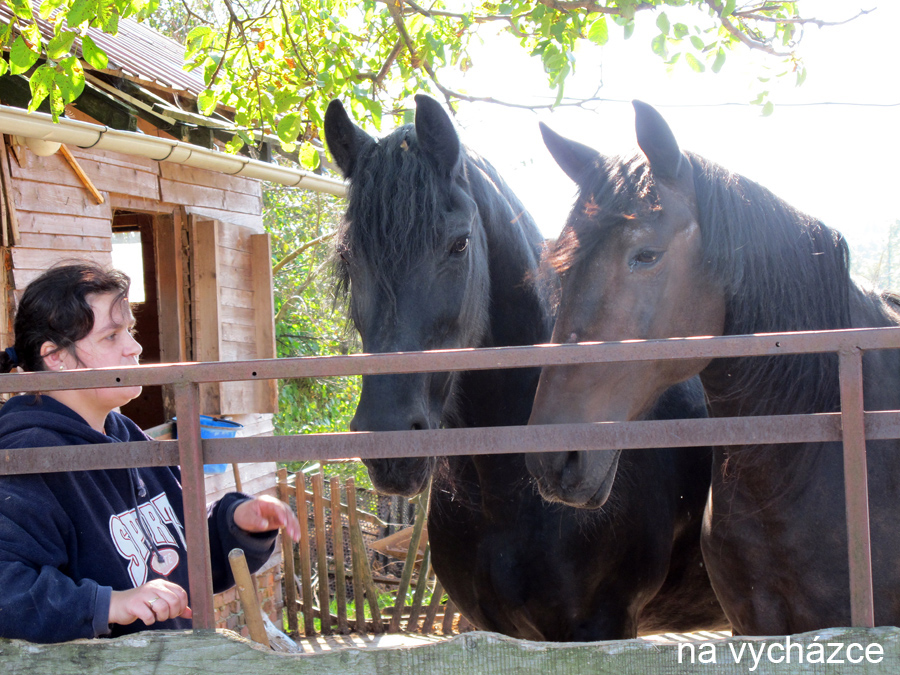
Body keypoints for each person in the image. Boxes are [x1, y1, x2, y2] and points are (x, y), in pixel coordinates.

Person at [0, 262, 300, 643]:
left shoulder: (126, 434)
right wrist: (110, 604)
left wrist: (237, 523)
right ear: (55, 356)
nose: (135, 347)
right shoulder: (25, 455)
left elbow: (180, 554)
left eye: (130, 330)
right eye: (111, 336)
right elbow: (9, 590)